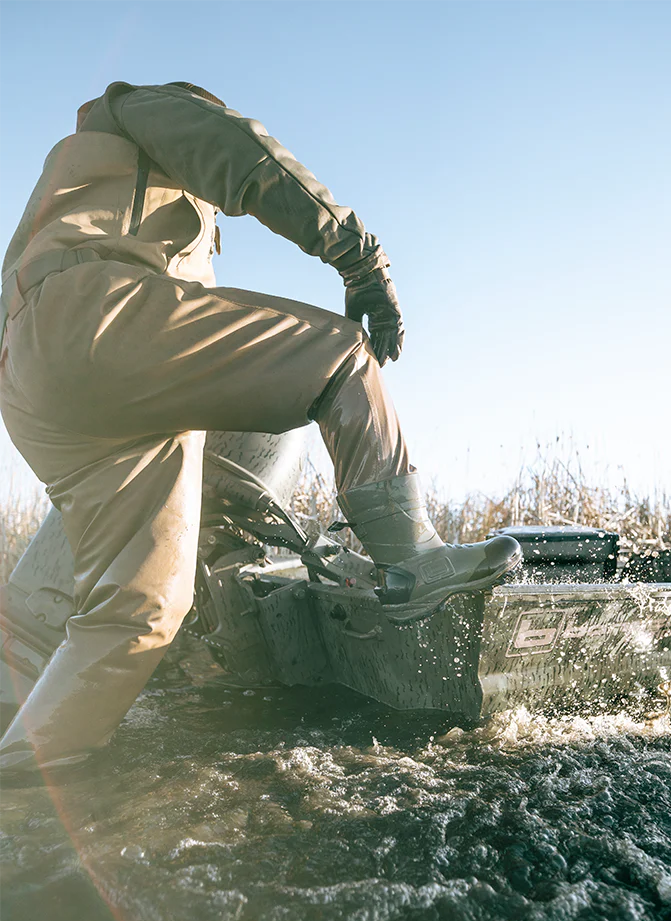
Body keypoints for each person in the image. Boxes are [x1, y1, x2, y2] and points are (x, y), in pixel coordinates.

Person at [0, 81, 520, 773]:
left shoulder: (84, 188)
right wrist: (361, 261)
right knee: (342, 358)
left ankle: (32, 768)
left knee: (143, 608)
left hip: (39, 385)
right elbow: (250, 160)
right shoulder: (141, 110)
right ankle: (414, 563)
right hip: (88, 317)